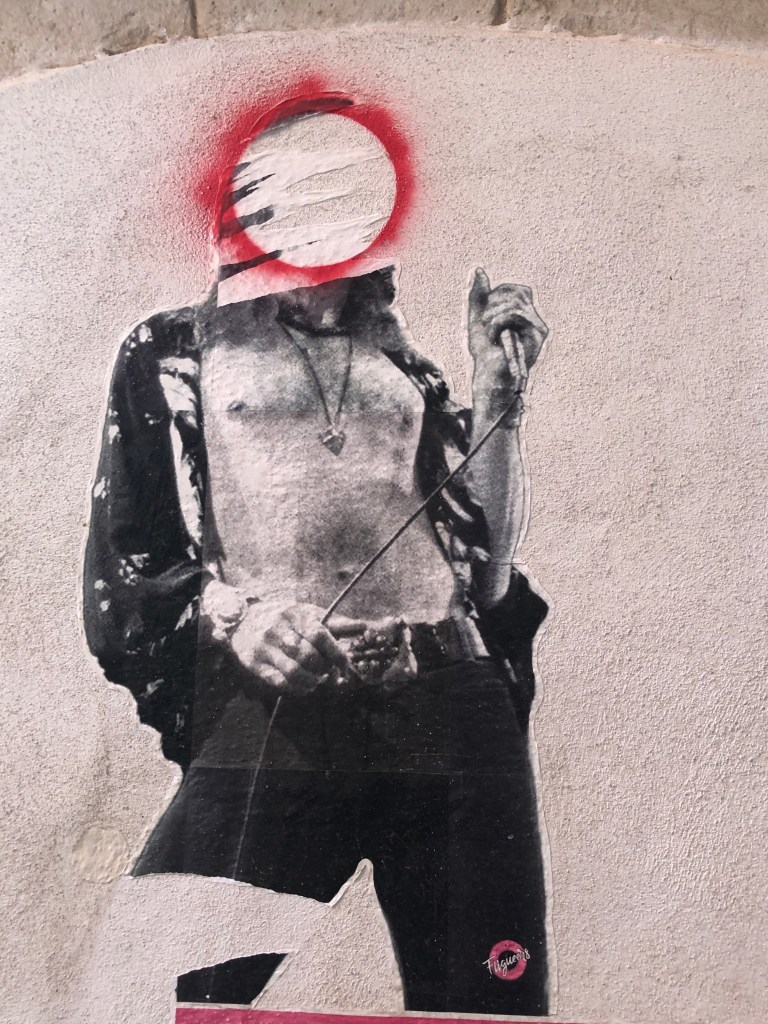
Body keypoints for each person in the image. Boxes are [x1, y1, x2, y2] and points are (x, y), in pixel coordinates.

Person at [83, 99, 550, 1015]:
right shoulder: (179, 351)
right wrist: (237, 617)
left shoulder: (404, 367)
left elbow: (486, 571)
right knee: (150, 988)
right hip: (285, 707)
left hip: (449, 699)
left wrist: (502, 401)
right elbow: (128, 553)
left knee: (485, 1007)